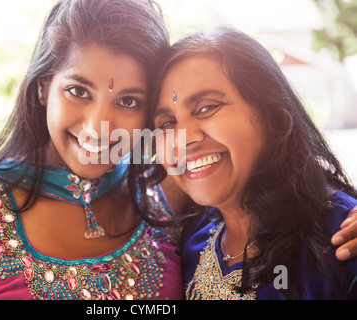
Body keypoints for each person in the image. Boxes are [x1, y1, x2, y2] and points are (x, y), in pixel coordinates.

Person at [0, 0, 186, 300]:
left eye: (128, 101)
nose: (98, 127)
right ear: (43, 87)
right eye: (78, 91)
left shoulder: (166, 193)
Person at [148, 26, 357, 299]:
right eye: (167, 123)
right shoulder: (192, 240)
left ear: (271, 116)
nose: (182, 139)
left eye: (206, 108)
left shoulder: (343, 240)